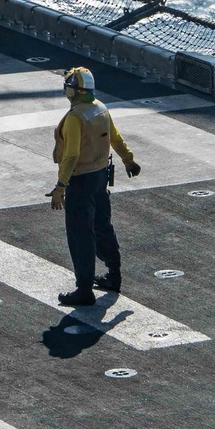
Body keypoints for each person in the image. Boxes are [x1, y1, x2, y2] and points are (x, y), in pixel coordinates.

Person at [47, 67, 141, 307]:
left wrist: (60, 185)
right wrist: (128, 160)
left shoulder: (75, 118)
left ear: (75, 90)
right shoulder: (100, 108)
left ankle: (84, 289)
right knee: (102, 226)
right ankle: (114, 274)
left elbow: (70, 156)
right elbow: (115, 138)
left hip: (80, 182)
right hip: (100, 177)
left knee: (81, 235)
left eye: (67, 85)